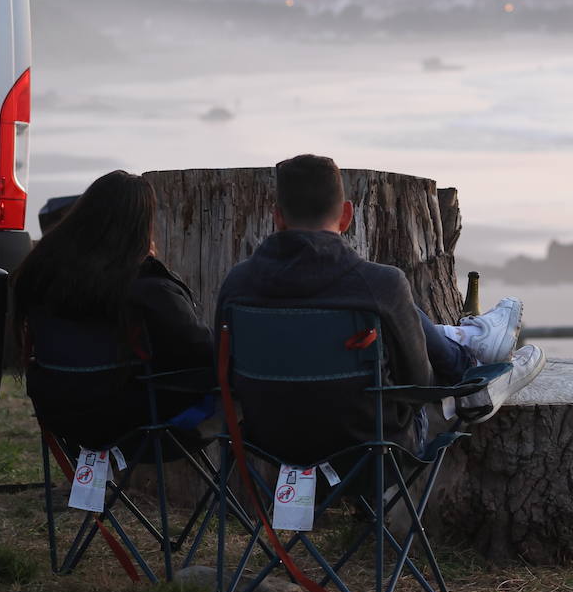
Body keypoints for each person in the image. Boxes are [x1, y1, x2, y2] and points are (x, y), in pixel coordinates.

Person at [214, 154, 545, 461]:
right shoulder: (380, 283)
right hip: (371, 451)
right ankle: (469, 368)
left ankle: (465, 349)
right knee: (396, 317)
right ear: (346, 215)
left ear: (278, 217)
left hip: (268, 446)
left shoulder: (236, 286)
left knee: (389, 307)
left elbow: (224, 373)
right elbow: (420, 380)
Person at [13, 170, 214, 450]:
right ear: (142, 225)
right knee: (232, 385)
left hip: (59, 416)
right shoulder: (145, 285)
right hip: (133, 426)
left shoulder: (39, 274)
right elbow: (199, 348)